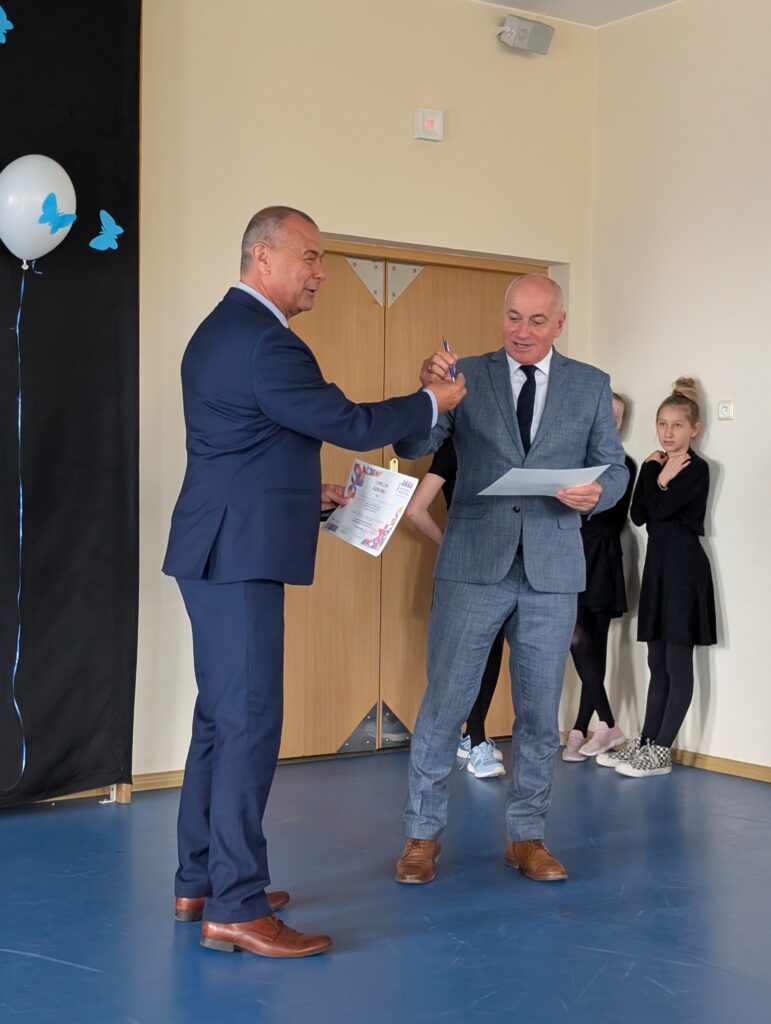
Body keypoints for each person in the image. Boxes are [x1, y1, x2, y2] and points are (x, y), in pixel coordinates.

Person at [162, 206, 466, 958]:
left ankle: (200, 879)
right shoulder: (266, 341)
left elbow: (244, 450)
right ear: (262, 258)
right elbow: (351, 422)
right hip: (237, 558)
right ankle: (235, 905)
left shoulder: (222, 330)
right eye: (310, 257)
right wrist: (431, 403)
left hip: (217, 547)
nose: (321, 273)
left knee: (219, 722)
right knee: (247, 725)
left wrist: (310, 496)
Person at [392, 274, 629, 886]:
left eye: (537, 320)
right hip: (474, 564)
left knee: (538, 714)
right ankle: (421, 836)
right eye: (513, 317)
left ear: (560, 323)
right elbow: (414, 443)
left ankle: (527, 837)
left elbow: (615, 469)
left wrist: (599, 493)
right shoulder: (465, 375)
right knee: (445, 705)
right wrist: (429, 395)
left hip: (552, 570)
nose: (522, 331)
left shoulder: (590, 384)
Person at [597, 377, 716, 778]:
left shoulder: (697, 469)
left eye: (677, 425)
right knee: (657, 661)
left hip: (684, 571)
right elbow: (638, 515)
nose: (668, 432)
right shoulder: (653, 464)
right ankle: (647, 742)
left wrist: (659, 479)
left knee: (677, 663)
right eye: (662, 424)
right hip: (659, 569)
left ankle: (661, 751)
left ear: (694, 429)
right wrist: (652, 471)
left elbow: (660, 512)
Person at [406, 438, 506, 779]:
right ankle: (475, 742)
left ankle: (474, 739)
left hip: (499, 567)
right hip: (471, 570)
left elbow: (417, 511)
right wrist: (447, 542)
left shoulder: (492, 446)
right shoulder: (455, 447)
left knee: (489, 653)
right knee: (473, 658)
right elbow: (416, 510)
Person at [562, 393, 637, 762]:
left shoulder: (625, 465)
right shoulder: (571, 460)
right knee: (576, 638)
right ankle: (607, 722)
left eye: (617, 416)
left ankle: (580, 729)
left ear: (621, 424)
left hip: (603, 557)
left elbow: (615, 515)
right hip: (570, 555)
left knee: (596, 645)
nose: (610, 420)